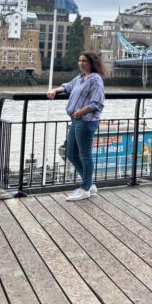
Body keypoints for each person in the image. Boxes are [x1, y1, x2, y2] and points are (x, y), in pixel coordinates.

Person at [47, 51, 106, 201]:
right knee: (71, 154)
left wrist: (80, 112)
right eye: (79, 61)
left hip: (86, 120)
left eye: (84, 61)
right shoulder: (80, 78)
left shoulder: (95, 79)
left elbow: (98, 102)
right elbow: (67, 86)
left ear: (92, 63)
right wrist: (55, 90)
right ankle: (90, 184)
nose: (81, 63)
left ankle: (85, 188)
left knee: (85, 155)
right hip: (76, 119)